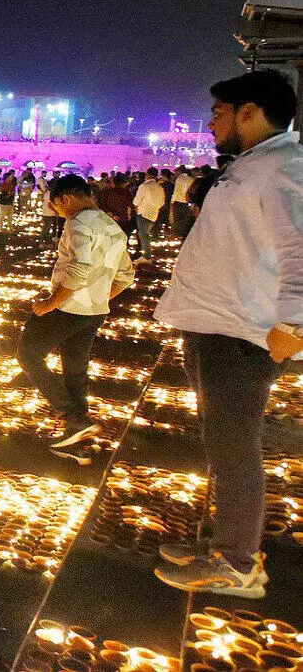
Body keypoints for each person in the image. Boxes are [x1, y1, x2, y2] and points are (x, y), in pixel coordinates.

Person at [153, 69, 303, 598]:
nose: (211, 122)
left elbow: (299, 243)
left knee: (235, 446)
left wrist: (295, 322)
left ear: (250, 111)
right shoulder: (253, 166)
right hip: (214, 322)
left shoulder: (284, 165)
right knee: (222, 443)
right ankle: (223, 542)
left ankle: (238, 564)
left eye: (219, 112)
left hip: (241, 331)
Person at [17, 174, 134, 462]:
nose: (56, 212)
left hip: (67, 308)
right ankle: (77, 429)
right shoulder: (112, 226)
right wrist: (99, 297)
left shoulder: (77, 223)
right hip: (94, 312)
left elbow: (79, 269)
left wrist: (49, 303)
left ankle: (70, 414)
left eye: (55, 206)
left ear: (65, 200)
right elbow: (126, 276)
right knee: (75, 368)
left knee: (28, 355)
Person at [132, 168, 165, 262]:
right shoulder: (160, 187)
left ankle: (147, 256)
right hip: (154, 213)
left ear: (148, 175)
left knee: (143, 234)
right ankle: (146, 254)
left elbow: (137, 200)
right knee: (145, 234)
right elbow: (162, 202)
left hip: (143, 212)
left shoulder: (144, 186)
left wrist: (136, 205)